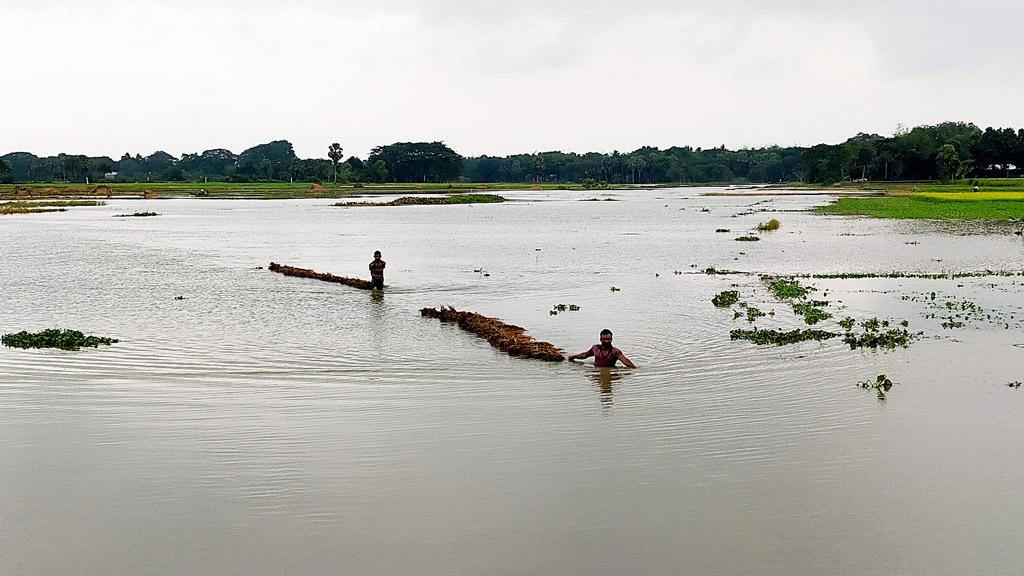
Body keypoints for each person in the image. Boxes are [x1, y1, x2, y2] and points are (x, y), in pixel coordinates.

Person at [568, 329, 636, 368]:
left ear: (611, 339)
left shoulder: (615, 351)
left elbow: (625, 360)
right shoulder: (595, 348)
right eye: (604, 339)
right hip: (596, 370)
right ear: (600, 339)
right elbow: (584, 355)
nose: (606, 341)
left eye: (608, 339)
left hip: (610, 371)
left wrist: (634, 368)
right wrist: (573, 357)